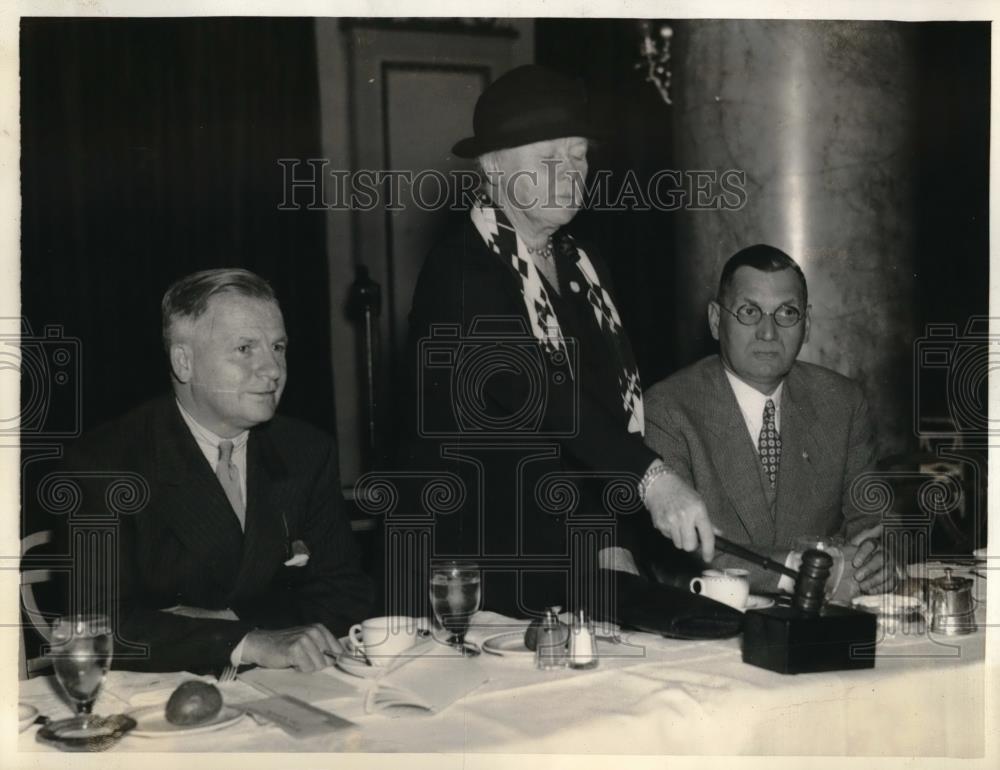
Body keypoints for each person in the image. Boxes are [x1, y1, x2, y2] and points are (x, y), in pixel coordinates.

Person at [394, 65, 714, 620]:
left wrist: (612, 542)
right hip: (480, 571)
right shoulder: (461, 271)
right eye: (549, 159)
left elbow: (605, 417)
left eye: (578, 156)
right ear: (493, 168)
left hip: (576, 556)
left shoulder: (583, 265)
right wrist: (653, 479)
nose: (571, 173)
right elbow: (542, 397)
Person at [62, 269, 372, 673]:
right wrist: (247, 640)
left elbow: (345, 596)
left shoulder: (306, 451)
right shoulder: (107, 463)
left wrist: (231, 629)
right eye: (246, 349)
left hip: (284, 686)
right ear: (184, 362)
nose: (273, 369)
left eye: (277, 347)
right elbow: (97, 627)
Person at [638, 244, 897, 596]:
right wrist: (803, 572)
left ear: (806, 325)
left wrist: (878, 562)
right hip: (713, 627)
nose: (768, 332)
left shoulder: (842, 401)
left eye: (786, 313)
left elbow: (874, 526)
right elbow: (682, 553)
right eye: (749, 311)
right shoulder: (667, 408)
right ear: (716, 321)